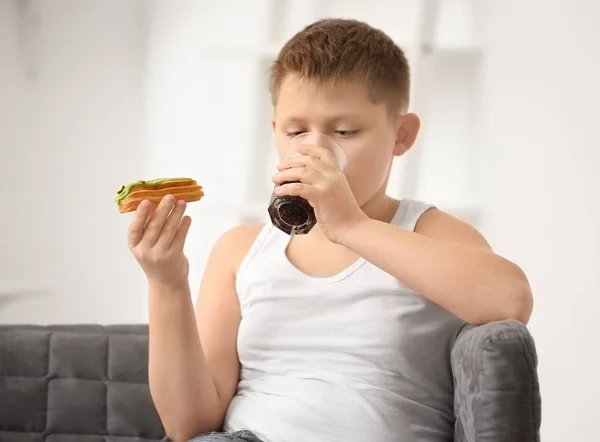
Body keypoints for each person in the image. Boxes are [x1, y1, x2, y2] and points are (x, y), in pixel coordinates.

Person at [126, 18, 533, 442]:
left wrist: (350, 225)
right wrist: (167, 283)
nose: (316, 150)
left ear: (402, 134)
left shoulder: (429, 234)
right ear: (275, 132)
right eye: (296, 131)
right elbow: (189, 424)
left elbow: (511, 300)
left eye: (345, 132)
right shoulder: (241, 250)